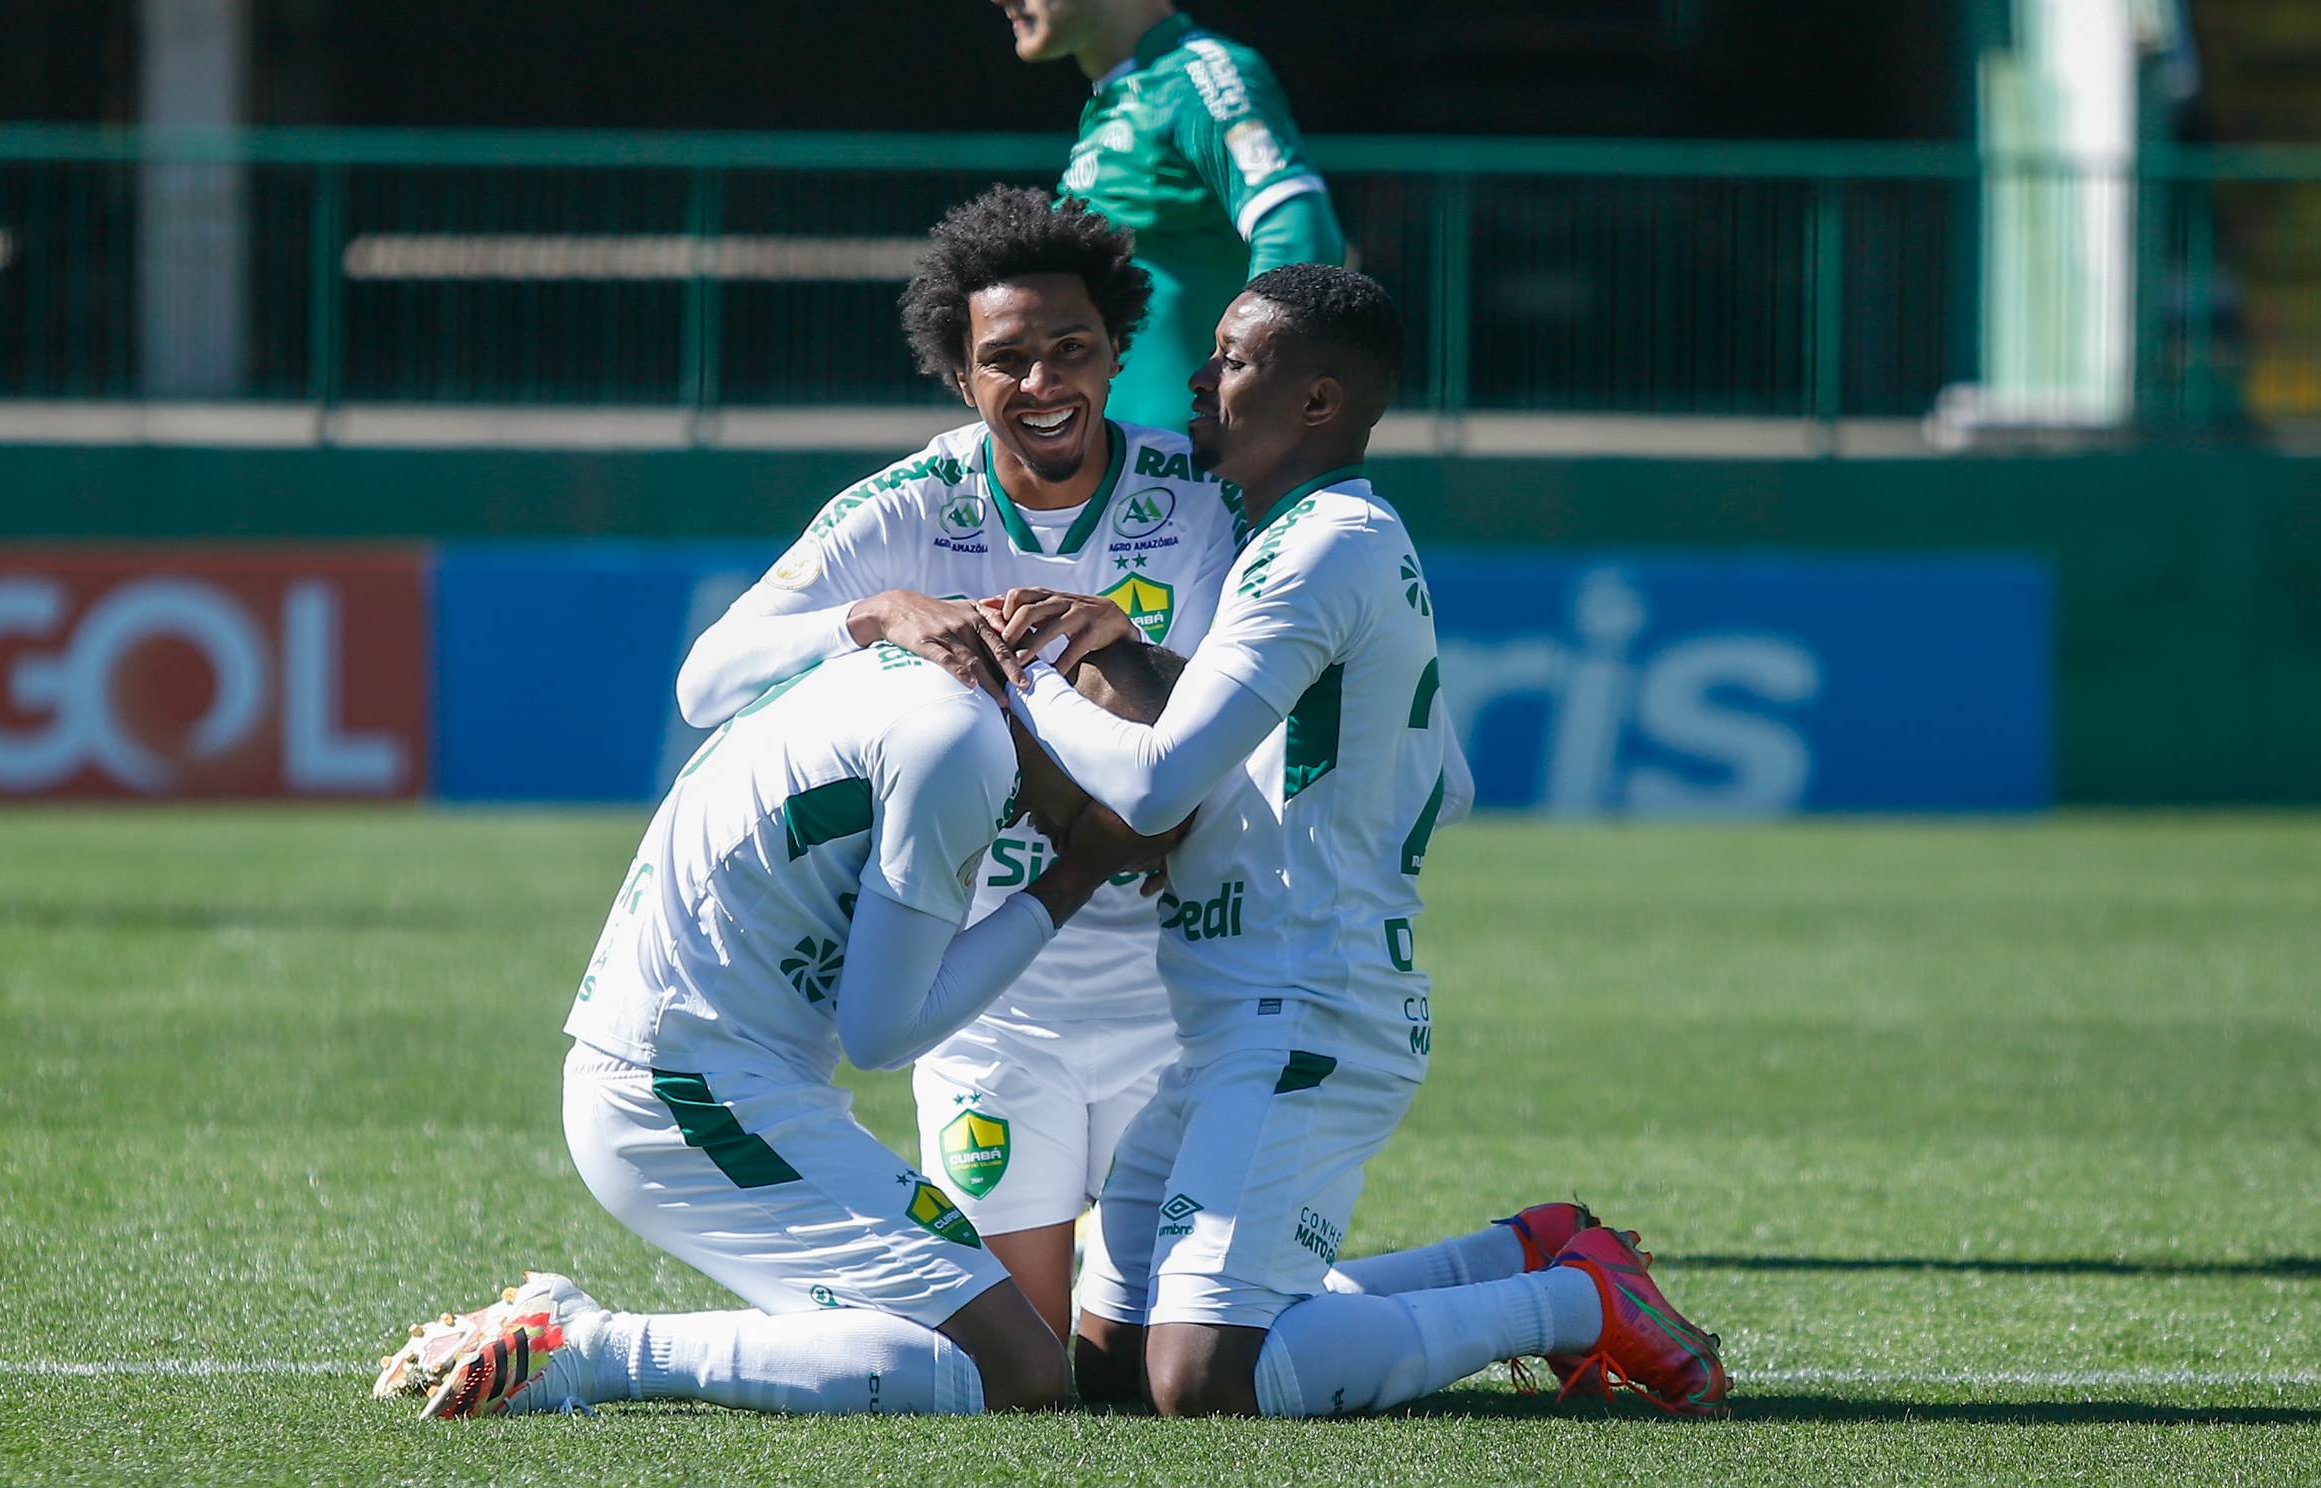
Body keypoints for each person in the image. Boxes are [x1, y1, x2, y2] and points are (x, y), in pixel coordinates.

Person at [1001, 265, 1733, 1418]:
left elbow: (1150, 786)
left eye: (1234, 360)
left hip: (1305, 1006)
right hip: (1232, 1010)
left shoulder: (1319, 548)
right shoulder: (1315, 537)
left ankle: (1576, 1301)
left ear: (1317, 403)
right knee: (1109, 1369)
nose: (1198, 377)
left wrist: (1025, 678)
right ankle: (1521, 1251)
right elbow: (1452, 776)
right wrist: (1145, 664)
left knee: (1205, 1378)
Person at [670, 186, 1245, 1343]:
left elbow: (1269, 695)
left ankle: (1527, 1266)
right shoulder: (912, 504)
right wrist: (874, 612)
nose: (1044, 385)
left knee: (1164, 1359)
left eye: (1071, 349)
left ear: (1116, 346)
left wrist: (1128, 650)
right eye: (1008, 360)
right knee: (1020, 1363)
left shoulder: (1201, 497)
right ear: (961, 376)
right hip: (993, 999)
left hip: (1178, 991)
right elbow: (705, 681)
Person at [374, 638, 1185, 1419]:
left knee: (981, 1340)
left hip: (697, 1069)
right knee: (1016, 1366)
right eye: (1140, 790)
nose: (1139, 818)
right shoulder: (961, 745)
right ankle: (592, 1344)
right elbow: (880, 1034)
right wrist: (1079, 871)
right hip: (683, 1093)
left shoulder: (945, 691)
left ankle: (586, 1337)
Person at [991, 0, 1346, 430]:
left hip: (1200, 477)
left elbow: (1300, 234)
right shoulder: (1124, 93)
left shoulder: (1199, 75)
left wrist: (1249, 403)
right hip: (1133, 477)